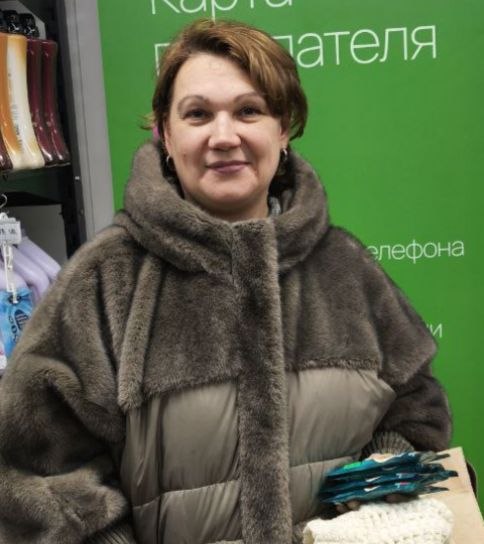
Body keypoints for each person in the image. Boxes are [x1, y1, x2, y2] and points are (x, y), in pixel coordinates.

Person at [0, 18, 451, 544]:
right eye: (197, 114)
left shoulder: (347, 271)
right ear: (166, 134)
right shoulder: (105, 282)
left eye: (248, 111)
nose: (224, 136)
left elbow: (416, 409)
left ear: (282, 129)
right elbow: (34, 474)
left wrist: (380, 487)